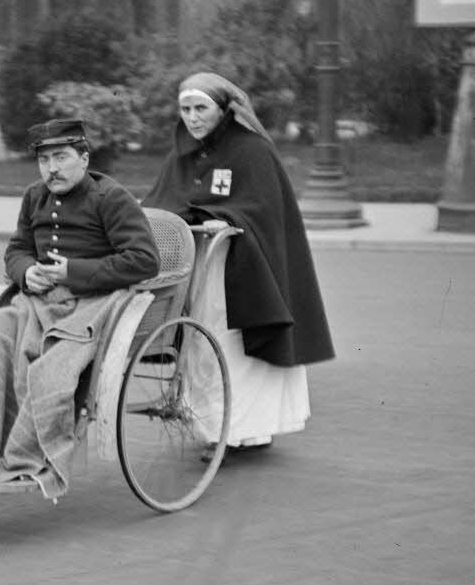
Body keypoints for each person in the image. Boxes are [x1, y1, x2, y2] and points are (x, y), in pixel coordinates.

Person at [0, 117, 160, 498]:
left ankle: (24, 459)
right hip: (37, 302)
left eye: (61, 157)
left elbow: (144, 260)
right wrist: (26, 271)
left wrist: (73, 271)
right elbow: (17, 249)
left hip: (93, 306)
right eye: (44, 160)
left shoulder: (111, 198)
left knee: (50, 369)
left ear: (84, 158)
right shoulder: (35, 197)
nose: (52, 169)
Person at [141, 71, 334, 457]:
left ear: (224, 109)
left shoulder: (252, 150)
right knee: (202, 343)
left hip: (243, 266)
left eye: (201, 108)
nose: (192, 118)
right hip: (200, 263)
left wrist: (224, 217)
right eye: (185, 110)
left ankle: (238, 430)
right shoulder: (181, 152)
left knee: (234, 347)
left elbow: (262, 208)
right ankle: (221, 426)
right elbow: (166, 200)